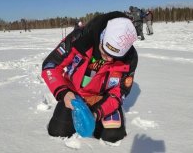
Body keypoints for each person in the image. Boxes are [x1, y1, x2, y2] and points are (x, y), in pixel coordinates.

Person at [41, 11, 138, 143]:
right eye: (105, 52)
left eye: (114, 57)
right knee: (58, 131)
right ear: (102, 37)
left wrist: (97, 112)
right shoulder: (79, 38)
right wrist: (64, 93)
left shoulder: (130, 58)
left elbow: (119, 93)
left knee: (113, 136)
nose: (109, 58)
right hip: (74, 96)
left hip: (101, 98)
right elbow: (50, 66)